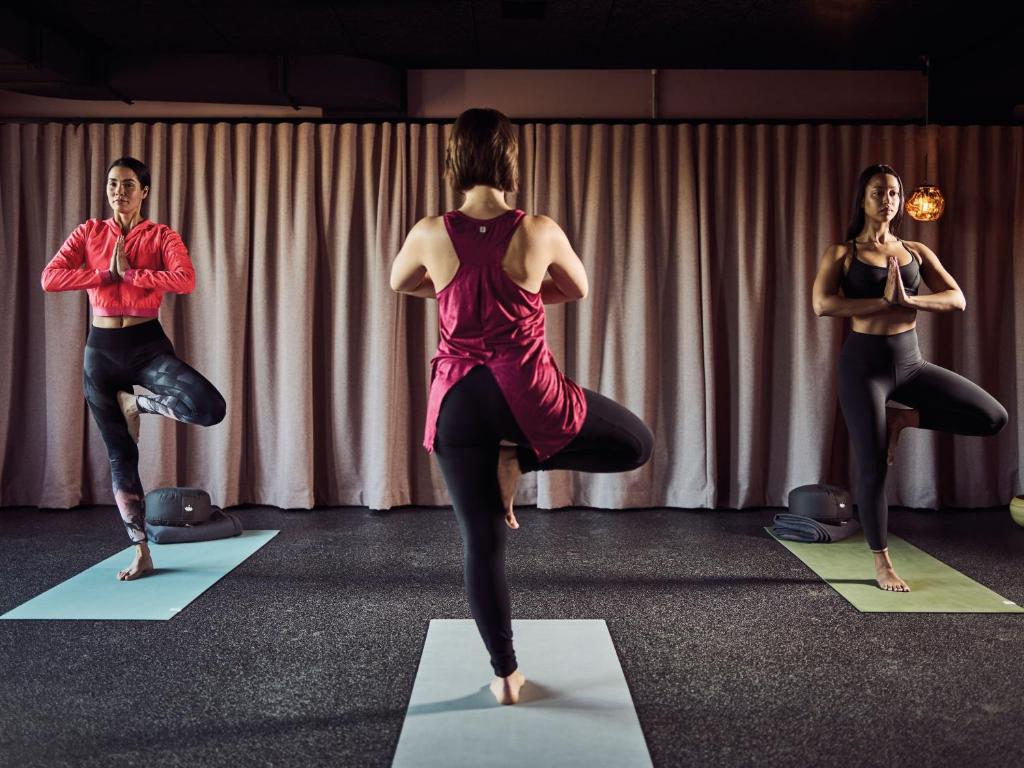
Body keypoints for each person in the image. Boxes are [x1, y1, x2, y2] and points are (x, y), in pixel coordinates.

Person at [390, 108, 653, 704]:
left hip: (457, 402)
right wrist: (525, 291)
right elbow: (576, 289)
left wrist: (451, 287)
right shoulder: (538, 230)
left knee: (480, 545)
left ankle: (505, 675)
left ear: (455, 159)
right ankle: (524, 460)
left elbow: (400, 282)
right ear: (510, 159)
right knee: (637, 444)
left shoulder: (430, 230)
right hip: (526, 394)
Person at [812, 163, 1007, 592]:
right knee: (873, 470)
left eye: (895, 193)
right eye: (879, 192)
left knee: (991, 417)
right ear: (863, 199)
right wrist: (883, 304)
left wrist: (908, 299)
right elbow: (823, 305)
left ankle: (904, 419)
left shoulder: (916, 251)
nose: (889, 200)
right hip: (864, 369)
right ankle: (882, 562)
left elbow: (957, 299)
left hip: (911, 363)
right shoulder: (843, 253)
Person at [41, 157, 225, 581]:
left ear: (144, 191)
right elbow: (50, 278)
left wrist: (136, 274)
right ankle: (140, 551)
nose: (118, 191)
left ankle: (138, 404)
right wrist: (104, 274)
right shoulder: (89, 232)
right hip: (101, 353)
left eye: (127, 184)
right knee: (121, 456)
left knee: (209, 408)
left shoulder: (161, 235)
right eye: (112, 184)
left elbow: (185, 280)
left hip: (147, 347)